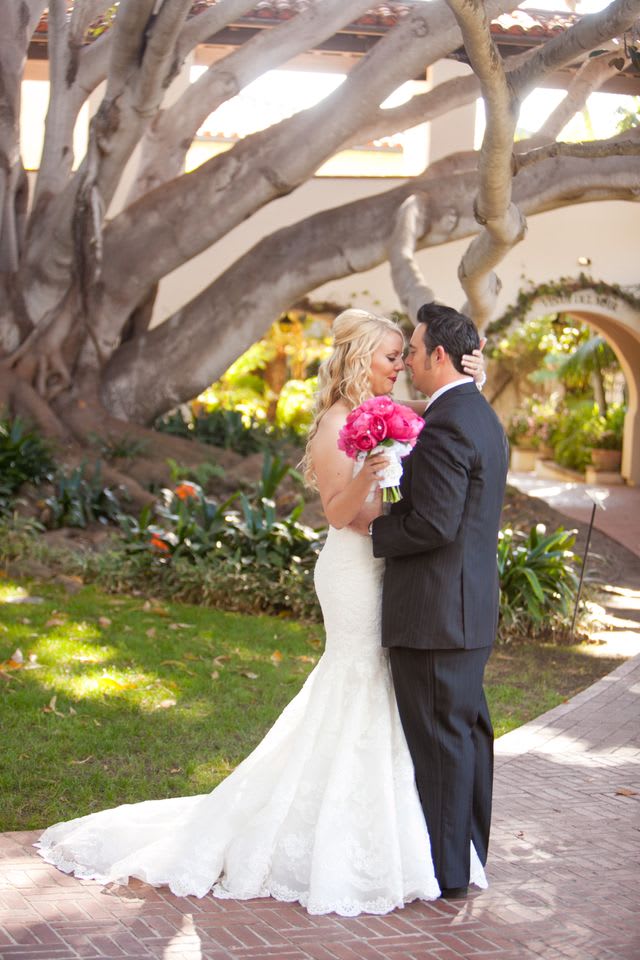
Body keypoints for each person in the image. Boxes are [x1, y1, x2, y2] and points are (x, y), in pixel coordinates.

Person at [36, 308, 487, 916]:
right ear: (361, 359)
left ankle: (395, 832)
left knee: (383, 690)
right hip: (355, 570)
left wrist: (468, 379)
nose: (401, 365)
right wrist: (375, 476)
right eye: (390, 356)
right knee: (356, 678)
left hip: (389, 566)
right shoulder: (337, 422)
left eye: (405, 354)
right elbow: (339, 512)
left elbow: (436, 429)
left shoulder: (390, 412)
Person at [367, 303, 509, 900]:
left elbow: (433, 523)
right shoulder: (479, 413)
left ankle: (450, 872)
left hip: (435, 614)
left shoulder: (448, 423)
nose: (407, 363)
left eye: (414, 351)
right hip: (466, 610)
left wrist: (376, 531)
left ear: (440, 355)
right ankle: (468, 856)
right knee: (468, 736)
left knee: (443, 746)